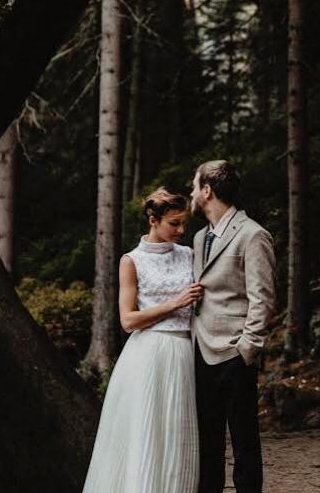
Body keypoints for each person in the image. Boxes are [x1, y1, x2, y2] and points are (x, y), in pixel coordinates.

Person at [82, 188, 203, 493]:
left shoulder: (188, 254)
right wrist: (174, 303)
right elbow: (128, 320)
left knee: (177, 432)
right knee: (146, 430)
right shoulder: (131, 260)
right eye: (173, 223)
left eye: (182, 223)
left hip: (183, 351)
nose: (180, 230)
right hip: (147, 354)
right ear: (153, 220)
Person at [190, 160, 276, 493]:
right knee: (206, 441)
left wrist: (248, 348)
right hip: (200, 350)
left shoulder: (253, 235)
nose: (192, 193)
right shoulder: (199, 238)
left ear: (208, 191)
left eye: (195, 187)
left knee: (243, 442)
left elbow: (263, 298)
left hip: (235, 354)